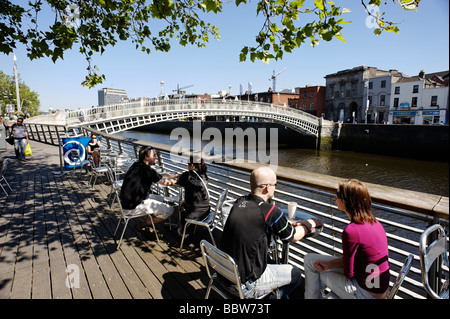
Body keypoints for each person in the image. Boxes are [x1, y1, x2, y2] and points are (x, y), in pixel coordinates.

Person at [220, 166, 324, 299]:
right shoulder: (270, 211)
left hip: (225, 275)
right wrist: (311, 223)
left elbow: (257, 223)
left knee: (270, 261)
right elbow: (293, 236)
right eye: (275, 184)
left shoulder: (239, 202)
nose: (275, 187)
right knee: (296, 274)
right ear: (267, 187)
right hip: (247, 285)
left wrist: (291, 224)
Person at [304, 179, 390, 299]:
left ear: (346, 201)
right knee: (311, 260)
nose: (335, 198)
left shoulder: (351, 231)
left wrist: (330, 266)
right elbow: (360, 261)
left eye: (337, 195)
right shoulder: (375, 222)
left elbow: (349, 273)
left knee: (319, 272)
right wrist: (329, 264)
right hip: (380, 289)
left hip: (366, 294)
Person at [119, 145, 179, 226]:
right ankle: (144, 224)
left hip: (126, 204)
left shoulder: (137, 165)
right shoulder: (148, 171)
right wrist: (179, 180)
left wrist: (175, 175)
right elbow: (166, 183)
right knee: (170, 210)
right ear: (146, 157)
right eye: (154, 155)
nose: (156, 157)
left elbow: (159, 175)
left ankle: (152, 220)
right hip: (134, 207)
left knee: (161, 199)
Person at [176, 156, 210, 238]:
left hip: (194, 214)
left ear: (191, 165)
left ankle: (184, 232)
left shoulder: (187, 175)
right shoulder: (204, 175)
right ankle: (191, 228)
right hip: (206, 212)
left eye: (188, 164)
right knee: (191, 203)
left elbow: (176, 183)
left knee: (182, 205)